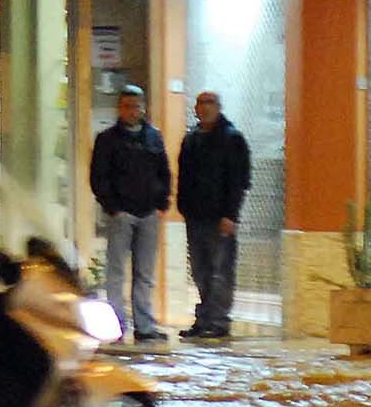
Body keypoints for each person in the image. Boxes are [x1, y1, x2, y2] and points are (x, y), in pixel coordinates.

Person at [90, 84, 172, 343]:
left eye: (136, 106)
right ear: (119, 109)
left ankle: (144, 326)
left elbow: (164, 171)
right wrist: (112, 206)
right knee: (116, 272)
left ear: (143, 107)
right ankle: (115, 327)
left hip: (148, 213)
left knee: (144, 274)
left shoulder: (154, 137)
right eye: (127, 106)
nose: (132, 111)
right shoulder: (107, 140)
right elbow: (99, 177)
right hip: (121, 214)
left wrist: (162, 202)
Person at [176, 89, 252, 342]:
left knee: (221, 270)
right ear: (196, 108)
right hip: (195, 217)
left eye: (210, 103)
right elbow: (184, 177)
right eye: (201, 103)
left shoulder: (232, 139)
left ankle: (219, 320)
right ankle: (205, 318)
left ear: (218, 107)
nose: (205, 108)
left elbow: (239, 181)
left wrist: (231, 214)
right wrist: (183, 208)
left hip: (220, 218)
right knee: (200, 271)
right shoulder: (191, 140)